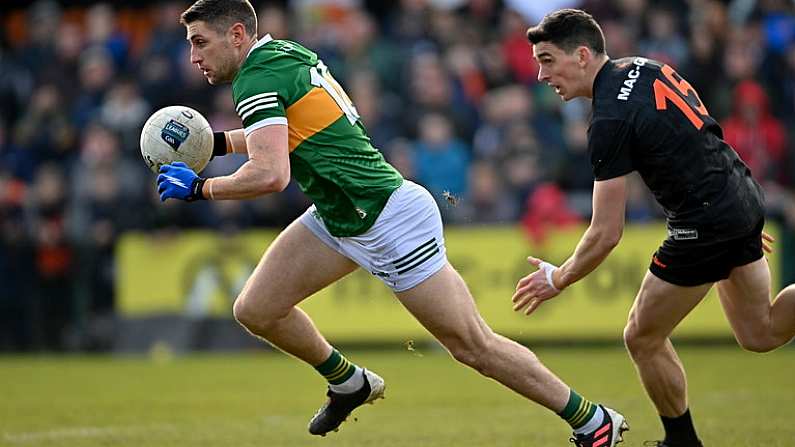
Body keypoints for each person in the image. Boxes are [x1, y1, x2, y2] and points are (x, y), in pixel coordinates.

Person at [156, 1, 628, 445]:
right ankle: (349, 383)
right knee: (256, 309)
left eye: (200, 42)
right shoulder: (282, 55)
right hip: (340, 215)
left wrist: (200, 188)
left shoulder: (258, 75)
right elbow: (286, 134)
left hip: (387, 217)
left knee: (472, 346)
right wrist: (215, 145)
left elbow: (271, 173)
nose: (193, 56)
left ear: (237, 34)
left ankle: (593, 420)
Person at [515, 9, 795, 447]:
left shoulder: (608, 120)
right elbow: (702, 134)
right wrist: (737, 214)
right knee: (761, 333)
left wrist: (559, 277)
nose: (540, 75)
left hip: (707, 219)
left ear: (583, 55)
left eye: (548, 60)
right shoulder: (644, 66)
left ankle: (682, 443)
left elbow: (606, 232)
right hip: (737, 193)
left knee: (641, 336)